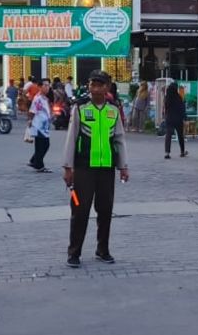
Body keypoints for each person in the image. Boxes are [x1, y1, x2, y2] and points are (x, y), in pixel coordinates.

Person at [62, 70, 129, 268]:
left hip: (106, 169)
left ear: (107, 87)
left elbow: (119, 139)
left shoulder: (113, 110)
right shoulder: (80, 108)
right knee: (80, 211)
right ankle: (74, 253)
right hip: (84, 169)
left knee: (106, 210)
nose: (96, 89)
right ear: (89, 87)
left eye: (100, 85)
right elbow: (71, 138)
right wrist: (68, 167)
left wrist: (123, 167)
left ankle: (103, 250)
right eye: (93, 85)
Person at [28, 79, 53, 172]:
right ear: (40, 86)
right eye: (45, 85)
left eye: (48, 85)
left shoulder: (44, 98)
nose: (47, 87)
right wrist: (30, 120)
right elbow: (32, 110)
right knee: (44, 145)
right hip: (39, 125)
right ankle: (39, 165)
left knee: (41, 145)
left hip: (44, 126)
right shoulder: (38, 98)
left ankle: (34, 160)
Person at [163, 82, 187, 158]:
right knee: (180, 136)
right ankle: (182, 152)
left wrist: (165, 116)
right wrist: (184, 118)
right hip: (178, 119)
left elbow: (165, 108)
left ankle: (167, 153)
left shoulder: (167, 97)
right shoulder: (179, 97)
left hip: (169, 118)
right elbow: (182, 109)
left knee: (168, 135)